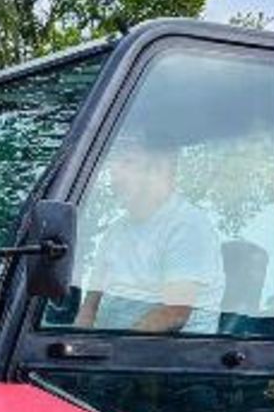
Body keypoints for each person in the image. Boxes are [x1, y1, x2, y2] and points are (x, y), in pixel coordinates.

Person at [75, 134, 223, 333]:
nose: (114, 172)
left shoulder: (187, 227)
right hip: (110, 350)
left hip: (169, 356)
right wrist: (79, 338)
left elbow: (174, 313)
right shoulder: (117, 231)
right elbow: (90, 306)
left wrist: (116, 348)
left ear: (159, 171)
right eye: (114, 163)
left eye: (127, 162)